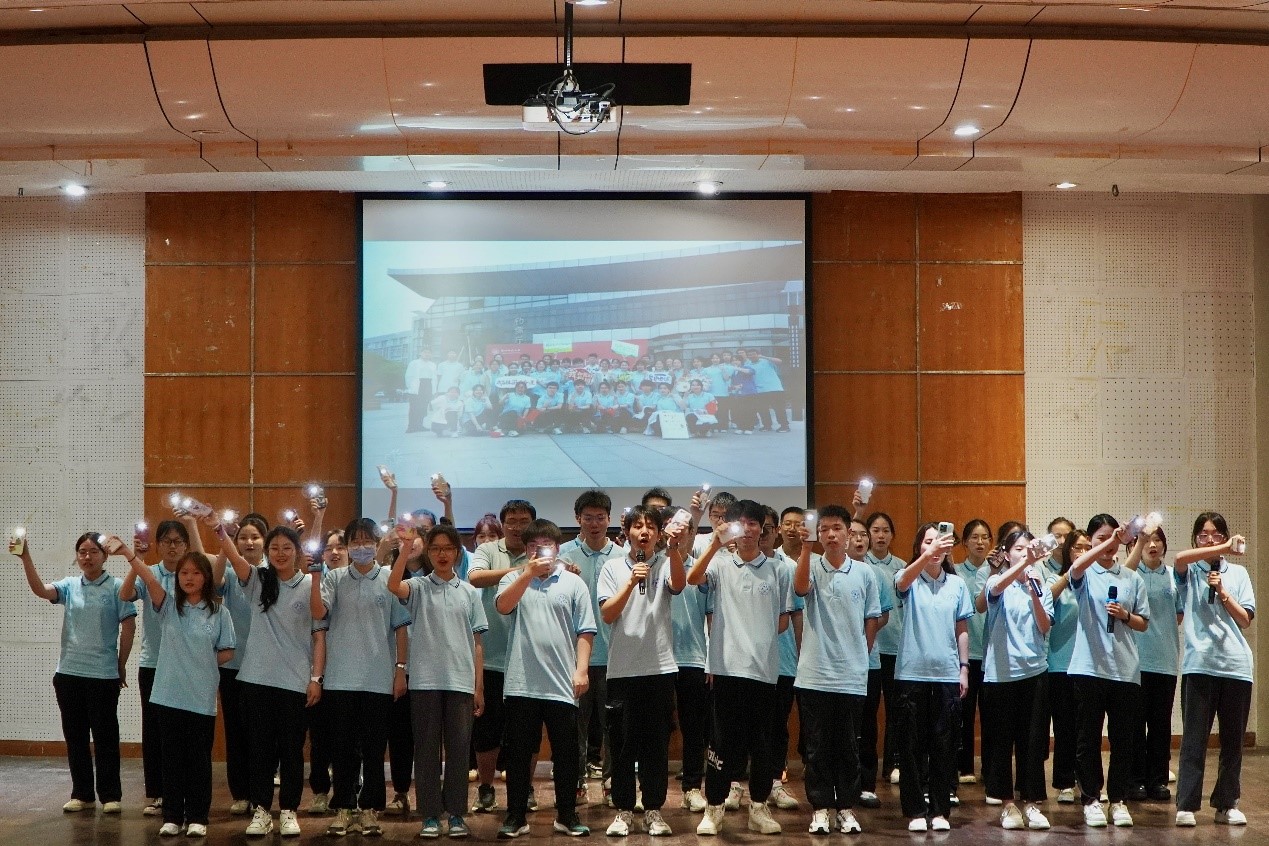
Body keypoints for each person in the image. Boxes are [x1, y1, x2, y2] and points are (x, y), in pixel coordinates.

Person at [212, 518, 328, 838]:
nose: (280, 553)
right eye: (274, 548)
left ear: (297, 551)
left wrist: (316, 678)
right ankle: (262, 810)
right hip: (256, 680)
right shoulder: (258, 580)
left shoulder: (310, 583)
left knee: (292, 750)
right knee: (259, 750)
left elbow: (319, 628)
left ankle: (289, 810)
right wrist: (220, 531)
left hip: (294, 682)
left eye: (286, 548)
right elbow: (234, 558)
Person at [687, 499, 792, 836]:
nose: (747, 530)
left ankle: (758, 807)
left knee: (762, 743)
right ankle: (714, 808)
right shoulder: (719, 563)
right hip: (726, 668)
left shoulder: (779, 570)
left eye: (753, 524)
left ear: (763, 529)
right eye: (740, 523)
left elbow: (783, 621)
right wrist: (715, 544)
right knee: (721, 742)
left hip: (763, 670)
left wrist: (756, 636)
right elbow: (692, 577)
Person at [117, 542, 235, 838]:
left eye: (196, 573)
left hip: (201, 698)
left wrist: (201, 660)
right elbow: (149, 579)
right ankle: (172, 816)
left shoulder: (219, 612)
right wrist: (129, 554)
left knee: (198, 761)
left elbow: (227, 651)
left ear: (206, 577)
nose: (189, 578)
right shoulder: (169, 606)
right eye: (184, 573)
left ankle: (197, 817)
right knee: (170, 759)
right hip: (168, 696)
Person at [14, 531, 136, 814]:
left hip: (103, 675)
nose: (87, 557)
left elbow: (128, 627)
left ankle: (110, 795)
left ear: (105, 556)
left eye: (93, 551)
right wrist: (25, 557)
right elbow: (41, 590)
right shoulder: (69, 585)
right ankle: (82, 793)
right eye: (82, 551)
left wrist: (121, 664)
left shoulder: (118, 587)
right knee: (75, 737)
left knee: (106, 738)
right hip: (68, 674)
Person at [494, 519, 596, 839]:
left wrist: (581, 670)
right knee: (518, 753)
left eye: (546, 546)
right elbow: (503, 606)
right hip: (521, 682)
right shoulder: (514, 578)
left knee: (566, 753)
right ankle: (515, 816)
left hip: (562, 683)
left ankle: (566, 814)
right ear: (526, 550)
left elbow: (585, 631)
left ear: (557, 548)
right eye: (533, 547)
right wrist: (526, 574)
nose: (540, 552)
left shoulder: (574, 583)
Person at [389, 524, 488, 839]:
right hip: (424, 681)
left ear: (457, 553)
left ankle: (456, 814)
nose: (442, 554)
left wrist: (478, 686)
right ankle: (430, 815)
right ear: (428, 553)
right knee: (427, 750)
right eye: (435, 548)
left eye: (448, 548)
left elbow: (477, 643)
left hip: (461, 681)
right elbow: (393, 585)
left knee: (459, 750)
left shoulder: (469, 592)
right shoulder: (418, 586)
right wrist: (405, 549)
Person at [314, 518, 411, 837]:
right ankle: (343, 807)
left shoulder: (389, 578)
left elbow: (401, 628)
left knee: (373, 748)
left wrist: (400, 669)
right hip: (340, 678)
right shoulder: (335, 578)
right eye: (354, 542)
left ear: (377, 543)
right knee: (342, 748)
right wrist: (314, 575)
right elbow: (319, 613)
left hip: (378, 678)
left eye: (367, 541)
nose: (361, 547)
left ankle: (370, 809)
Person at [598, 505, 688, 836]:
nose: (644, 531)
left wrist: (674, 549)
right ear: (627, 532)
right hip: (622, 670)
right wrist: (630, 581)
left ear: (659, 533)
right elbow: (608, 614)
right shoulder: (612, 567)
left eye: (651, 526)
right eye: (638, 526)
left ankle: (653, 809)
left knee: (655, 745)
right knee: (622, 745)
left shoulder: (665, 562)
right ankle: (623, 810)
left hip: (659, 668)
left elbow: (679, 585)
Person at [793, 504, 881, 835]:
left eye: (837, 528)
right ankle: (820, 809)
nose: (831, 534)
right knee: (816, 747)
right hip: (814, 675)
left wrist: (860, 654)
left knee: (848, 746)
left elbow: (872, 618)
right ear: (818, 534)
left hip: (852, 677)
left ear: (848, 533)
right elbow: (800, 589)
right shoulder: (810, 565)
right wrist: (805, 549)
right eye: (824, 529)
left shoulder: (865, 573)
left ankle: (845, 807)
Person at [1066, 515, 1150, 829]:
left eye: (1111, 538)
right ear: (1091, 541)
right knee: (1087, 739)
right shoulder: (1086, 572)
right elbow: (1075, 569)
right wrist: (1114, 538)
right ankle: (1091, 799)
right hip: (1089, 668)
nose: (1108, 545)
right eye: (1100, 539)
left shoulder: (1131, 577)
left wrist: (1125, 614)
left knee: (1123, 739)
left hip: (1124, 670)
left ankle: (1118, 799)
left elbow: (1143, 622)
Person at [1172, 512, 1255, 828]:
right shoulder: (1190, 570)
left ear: (1225, 535)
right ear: (1195, 539)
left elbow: (1245, 619)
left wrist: (1223, 592)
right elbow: (1178, 559)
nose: (1210, 539)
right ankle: (1186, 805)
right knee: (1194, 740)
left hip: (1236, 666)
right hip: (1200, 665)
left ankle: (1227, 804)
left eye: (1216, 534)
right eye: (1203, 535)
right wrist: (1221, 549)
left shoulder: (1238, 573)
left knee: (1233, 742)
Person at [893, 523, 969, 833]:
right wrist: (927, 556)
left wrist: (964, 668)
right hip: (912, 673)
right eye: (928, 542)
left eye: (939, 542)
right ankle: (915, 810)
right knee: (911, 746)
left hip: (947, 674)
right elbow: (901, 582)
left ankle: (940, 810)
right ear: (919, 547)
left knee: (944, 745)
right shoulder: (910, 578)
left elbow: (961, 628)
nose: (934, 547)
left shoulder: (957, 584)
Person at [118, 517, 196, 817]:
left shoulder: (193, 575)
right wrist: (136, 561)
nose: (172, 547)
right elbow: (125, 595)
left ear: (186, 545)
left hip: (187, 664)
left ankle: (187, 791)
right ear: (158, 545)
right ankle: (159, 793)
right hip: (153, 663)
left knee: (185, 731)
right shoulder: (149, 572)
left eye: (178, 541)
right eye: (166, 541)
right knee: (154, 731)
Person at [981, 530, 1053, 831]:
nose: (1025, 553)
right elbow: (995, 590)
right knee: (1001, 742)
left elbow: (1044, 626)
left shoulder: (1041, 585)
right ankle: (1007, 804)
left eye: (1029, 549)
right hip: (1001, 674)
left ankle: (1031, 803)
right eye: (1019, 549)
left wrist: (1035, 591)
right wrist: (1022, 568)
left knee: (1033, 742)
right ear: (1007, 554)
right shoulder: (996, 582)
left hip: (1035, 672)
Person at [468, 501, 536, 814]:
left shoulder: (540, 550)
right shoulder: (488, 550)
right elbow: (475, 577)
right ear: (503, 523)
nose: (517, 527)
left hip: (529, 658)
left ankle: (527, 789)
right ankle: (485, 788)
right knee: (487, 731)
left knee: (527, 732)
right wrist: (522, 571)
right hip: (492, 657)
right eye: (512, 521)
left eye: (524, 521)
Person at [557, 491, 618, 806]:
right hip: (573, 657)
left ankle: (612, 784)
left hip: (614, 656)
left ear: (609, 519)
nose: (594, 524)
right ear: (577, 518)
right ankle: (576, 783)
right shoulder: (562, 556)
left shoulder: (623, 556)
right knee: (573, 727)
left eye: (600, 517)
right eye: (588, 517)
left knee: (613, 726)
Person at [212, 513, 268, 814]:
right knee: (235, 732)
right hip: (233, 665)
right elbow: (214, 583)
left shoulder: (273, 573)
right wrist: (225, 542)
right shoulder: (232, 574)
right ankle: (241, 793)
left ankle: (260, 793)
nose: (249, 542)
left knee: (260, 733)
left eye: (255, 537)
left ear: (265, 541)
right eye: (243, 537)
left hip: (264, 667)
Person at [1123, 525, 1181, 803]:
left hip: (1165, 659)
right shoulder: (1131, 573)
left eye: (1158, 540)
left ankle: (1157, 780)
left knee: (1160, 725)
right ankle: (1135, 780)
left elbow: (1178, 614)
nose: (1153, 545)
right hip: (1135, 660)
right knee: (1135, 724)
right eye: (1147, 540)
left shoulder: (1172, 575)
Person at [1041, 527, 1087, 805]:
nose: (1082, 552)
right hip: (1061, 662)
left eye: (1086, 548)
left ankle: (1087, 780)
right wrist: (1071, 573)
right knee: (1065, 727)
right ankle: (1064, 782)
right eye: (1077, 548)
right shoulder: (1055, 577)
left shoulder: (1096, 578)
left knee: (1087, 728)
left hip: (1090, 664)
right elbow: (1047, 597)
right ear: (1068, 551)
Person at [762, 506, 802, 811]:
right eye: (757, 526)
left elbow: (796, 617)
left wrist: (802, 656)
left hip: (783, 661)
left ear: (775, 531)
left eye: (768, 527)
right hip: (746, 663)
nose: (762, 533)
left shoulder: (788, 567)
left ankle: (775, 781)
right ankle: (736, 784)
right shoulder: (733, 564)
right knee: (745, 725)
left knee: (777, 725)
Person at [864, 511, 906, 786]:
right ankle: (864, 766)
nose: (880, 536)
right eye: (875, 530)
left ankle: (893, 763)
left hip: (896, 648)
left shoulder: (902, 566)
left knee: (896, 710)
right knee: (867, 711)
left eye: (885, 530)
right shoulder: (860, 563)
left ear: (892, 535)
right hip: (869, 649)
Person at [852, 517, 891, 809]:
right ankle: (841, 782)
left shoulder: (876, 574)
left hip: (869, 662)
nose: (860, 539)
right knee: (841, 725)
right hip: (836, 664)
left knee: (867, 724)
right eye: (853, 534)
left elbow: (883, 614)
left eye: (863, 535)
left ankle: (866, 784)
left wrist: (863, 634)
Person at [955, 519, 993, 788]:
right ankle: (964, 766)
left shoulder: (999, 572)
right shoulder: (955, 572)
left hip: (991, 654)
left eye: (985, 537)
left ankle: (990, 769)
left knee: (990, 716)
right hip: (965, 655)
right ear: (965, 542)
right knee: (963, 715)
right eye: (974, 537)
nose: (980, 542)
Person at [405, 347, 437, 433]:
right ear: (420, 353)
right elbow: (408, 376)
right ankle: (411, 427)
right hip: (417, 386)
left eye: (429, 352)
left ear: (431, 355)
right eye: (425, 352)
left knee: (423, 407)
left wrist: (434, 390)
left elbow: (434, 378)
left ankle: (419, 425)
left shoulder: (433, 364)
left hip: (428, 385)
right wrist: (411, 387)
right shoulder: (414, 363)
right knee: (414, 407)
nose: (427, 354)